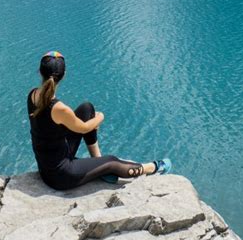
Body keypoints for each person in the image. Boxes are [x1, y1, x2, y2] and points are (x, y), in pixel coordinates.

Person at [27, 50, 171, 190]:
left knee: (86, 108)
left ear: (40, 72)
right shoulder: (59, 109)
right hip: (60, 175)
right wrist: (100, 117)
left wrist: (92, 119)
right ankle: (153, 167)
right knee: (112, 161)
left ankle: (99, 164)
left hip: (47, 165)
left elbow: (53, 125)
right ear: (63, 75)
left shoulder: (32, 95)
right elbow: (84, 128)